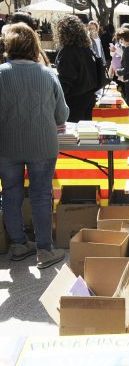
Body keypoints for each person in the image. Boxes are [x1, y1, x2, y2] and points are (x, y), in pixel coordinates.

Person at [0, 23, 69, 269]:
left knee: (10, 194)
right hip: (42, 144)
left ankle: (19, 244)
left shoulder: (0, 74)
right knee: (41, 195)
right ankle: (44, 249)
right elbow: (62, 114)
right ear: (34, 46)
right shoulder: (48, 74)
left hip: (7, 145)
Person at [55, 15, 98, 122]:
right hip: (88, 97)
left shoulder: (68, 52)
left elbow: (65, 81)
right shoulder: (86, 48)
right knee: (86, 135)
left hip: (75, 102)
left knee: (73, 136)